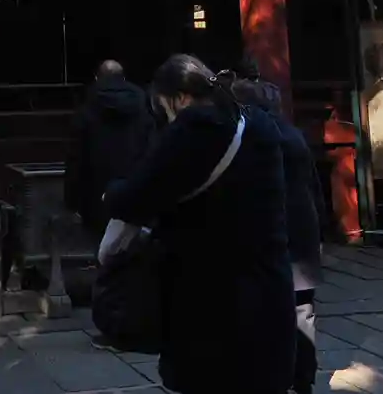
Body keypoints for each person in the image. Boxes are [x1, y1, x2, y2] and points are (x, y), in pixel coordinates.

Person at [103, 54, 296, 394]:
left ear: (178, 97)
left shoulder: (193, 130)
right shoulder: (257, 123)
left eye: (162, 107)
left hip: (210, 296)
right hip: (268, 286)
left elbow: (137, 195)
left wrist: (110, 194)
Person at [230, 60, 321, 394]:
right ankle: (303, 377)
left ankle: (272, 376)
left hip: (268, 233)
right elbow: (314, 187)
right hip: (303, 229)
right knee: (301, 308)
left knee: (263, 312)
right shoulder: (295, 135)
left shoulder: (249, 141)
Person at [65, 60, 155, 241]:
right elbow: (151, 150)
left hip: (95, 195)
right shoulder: (143, 108)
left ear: (97, 78)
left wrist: (72, 201)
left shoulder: (85, 110)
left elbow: (76, 158)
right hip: (134, 190)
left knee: (99, 247)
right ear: (123, 78)